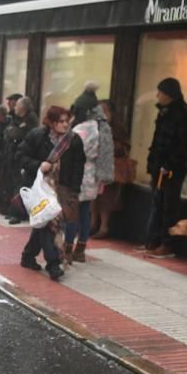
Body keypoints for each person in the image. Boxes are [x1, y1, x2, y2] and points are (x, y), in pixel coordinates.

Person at [17, 105, 86, 281]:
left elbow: (79, 167)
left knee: (44, 223)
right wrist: (39, 165)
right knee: (48, 224)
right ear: (51, 122)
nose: (65, 125)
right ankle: (53, 264)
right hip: (41, 188)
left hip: (63, 189)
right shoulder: (37, 136)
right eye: (60, 121)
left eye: (66, 121)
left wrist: (74, 191)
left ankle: (28, 255)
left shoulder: (74, 140)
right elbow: (20, 156)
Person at [144, 77, 187, 259]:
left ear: (168, 94)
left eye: (160, 92)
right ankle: (153, 240)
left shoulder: (185, 115)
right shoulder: (164, 112)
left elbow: (184, 145)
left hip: (172, 169)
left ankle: (168, 243)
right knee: (157, 204)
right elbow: (158, 141)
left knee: (169, 205)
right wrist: (153, 163)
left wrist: (169, 165)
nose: (157, 96)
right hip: (158, 167)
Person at [66, 89, 114, 263]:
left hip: (78, 174)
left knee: (72, 212)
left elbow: (71, 151)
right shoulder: (101, 127)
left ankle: (67, 249)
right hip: (93, 174)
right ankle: (81, 249)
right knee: (85, 212)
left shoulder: (81, 129)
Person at [91, 100, 134, 239]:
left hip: (111, 168)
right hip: (95, 167)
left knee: (107, 199)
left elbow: (125, 147)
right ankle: (92, 223)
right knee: (93, 197)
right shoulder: (94, 125)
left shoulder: (117, 128)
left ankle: (104, 227)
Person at [3, 96, 40, 223]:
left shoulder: (30, 119)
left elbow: (17, 134)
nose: (15, 108)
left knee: (21, 185)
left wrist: (15, 131)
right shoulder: (18, 119)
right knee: (15, 184)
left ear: (23, 107)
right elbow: (9, 132)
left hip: (24, 157)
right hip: (15, 155)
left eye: (17, 105)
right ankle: (14, 210)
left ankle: (19, 213)